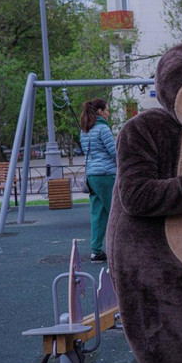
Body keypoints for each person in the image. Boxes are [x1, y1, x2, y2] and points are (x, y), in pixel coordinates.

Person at [79, 98, 116, 263]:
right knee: (117, 213)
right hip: (106, 175)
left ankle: (96, 251)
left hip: (92, 177)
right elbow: (115, 153)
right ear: (100, 111)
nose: (108, 113)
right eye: (107, 110)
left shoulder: (85, 130)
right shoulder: (103, 129)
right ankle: (120, 249)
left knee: (98, 214)